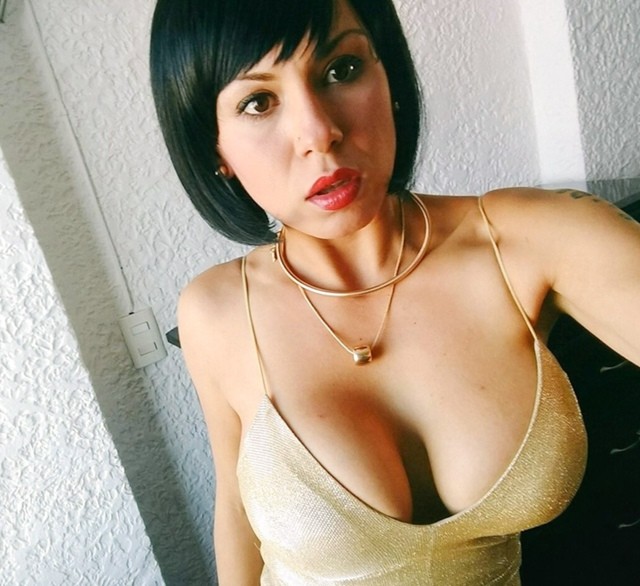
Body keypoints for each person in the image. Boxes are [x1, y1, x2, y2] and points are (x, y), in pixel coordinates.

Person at [149, 0, 640, 583]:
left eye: (342, 69)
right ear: (215, 148)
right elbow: (236, 514)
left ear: (389, 78)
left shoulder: (530, 241)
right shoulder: (216, 311)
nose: (319, 133)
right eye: (258, 102)